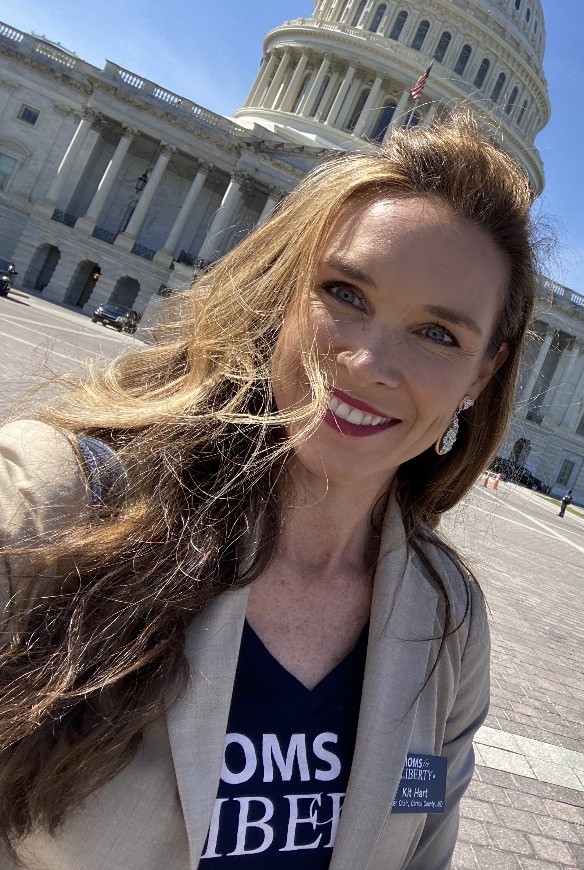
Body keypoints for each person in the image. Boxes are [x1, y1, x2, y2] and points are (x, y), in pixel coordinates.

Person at [0, 112, 539, 869]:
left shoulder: (448, 622)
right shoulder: (52, 505)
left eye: (438, 334)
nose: (366, 362)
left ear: (482, 375)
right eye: (346, 293)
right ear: (286, 293)